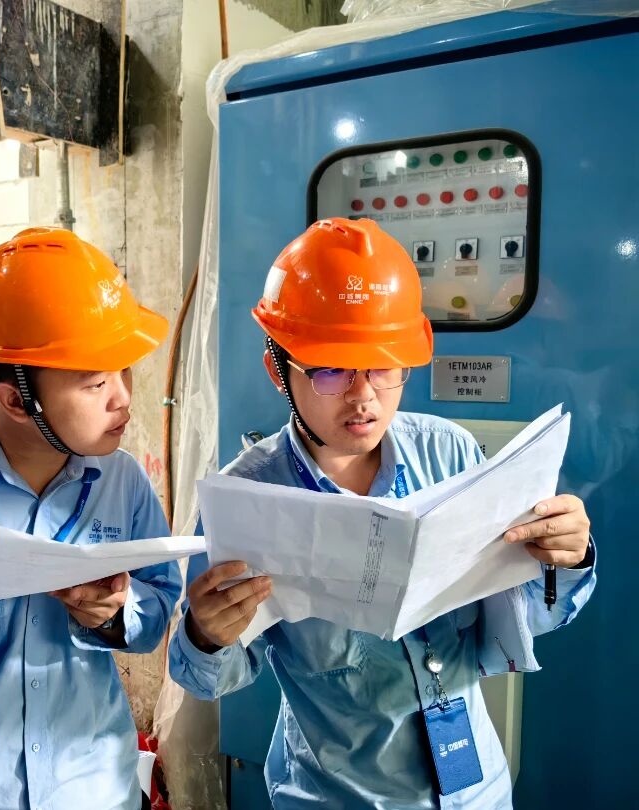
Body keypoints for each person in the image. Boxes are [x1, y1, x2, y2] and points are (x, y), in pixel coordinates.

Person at [167, 218, 596, 808]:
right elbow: (207, 677)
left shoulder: (450, 455)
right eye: (331, 370)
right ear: (278, 370)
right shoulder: (247, 499)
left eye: (384, 366)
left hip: (478, 790)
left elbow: (524, 619)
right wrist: (206, 634)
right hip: (338, 796)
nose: (363, 395)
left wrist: (565, 560)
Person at [0, 227, 180, 809]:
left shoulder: (123, 483)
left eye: (124, 371)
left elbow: (157, 613)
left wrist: (117, 614)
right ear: (17, 401)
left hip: (95, 793)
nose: (123, 398)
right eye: (95, 383)